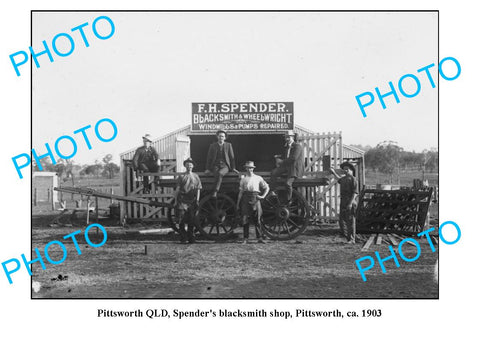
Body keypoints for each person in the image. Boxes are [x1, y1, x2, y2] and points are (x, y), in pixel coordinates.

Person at [237, 161, 270, 243]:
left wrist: (262, 196)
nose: (249, 169)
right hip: (246, 198)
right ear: (245, 168)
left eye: (251, 168)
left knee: (258, 219)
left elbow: (267, 187)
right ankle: (245, 238)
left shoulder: (258, 178)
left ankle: (259, 238)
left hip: (256, 197)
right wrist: (238, 204)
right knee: (245, 219)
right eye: (248, 168)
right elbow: (241, 192)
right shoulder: (243, 179)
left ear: (253, 168)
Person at [173, 158, 202, 244]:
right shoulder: (181, 176)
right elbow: (177, 189)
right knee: (181, 220)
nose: (189, 166)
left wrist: (197, 200)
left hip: (192, 200)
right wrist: (175, 201)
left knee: (191, 220)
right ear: (185, 166)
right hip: (182, 200)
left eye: (190, 165)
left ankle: (191, 237)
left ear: (192, 166)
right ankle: (183, 237)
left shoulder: (196, 176)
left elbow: (198, 189)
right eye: (187, 165)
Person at [270, 130, 304, 201]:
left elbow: (293, 158)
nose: (287, 139)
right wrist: (278, 157)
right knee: (273, 173)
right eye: (286, 137)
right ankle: (273, 191)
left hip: (294, 169)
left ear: (293, 137)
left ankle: (288, 200)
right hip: (287, 167)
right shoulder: (287, 147)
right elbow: (287, 156)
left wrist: (281, 162)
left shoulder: (297, 146)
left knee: (288, 183)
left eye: (288, 137)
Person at [329, 162, 358, 244]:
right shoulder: (344, 179)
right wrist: (333, 172)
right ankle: (348, 238)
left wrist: (350, 203)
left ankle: (352, 239)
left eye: (347, 169)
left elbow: (355, 193)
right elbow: (338, 179)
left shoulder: (353, 179)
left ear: (351, 170)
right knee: (342, 220)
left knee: (350, 221)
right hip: (343, 201)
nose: (346, 171)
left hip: (350, 201)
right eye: (344, 169)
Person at [205, 129, 238, 197]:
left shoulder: (228, 145)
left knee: (220, 173)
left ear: (225, 138)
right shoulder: (212, 145)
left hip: (225, 166)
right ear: (217, 137)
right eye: (220, 136)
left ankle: (215, 191)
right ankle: (213, 190)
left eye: (222, 136)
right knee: (216, 174)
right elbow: (209, 158)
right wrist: (207, 168)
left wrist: (233, 168)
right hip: (215, 165)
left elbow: (232, 157)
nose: (221, 138)